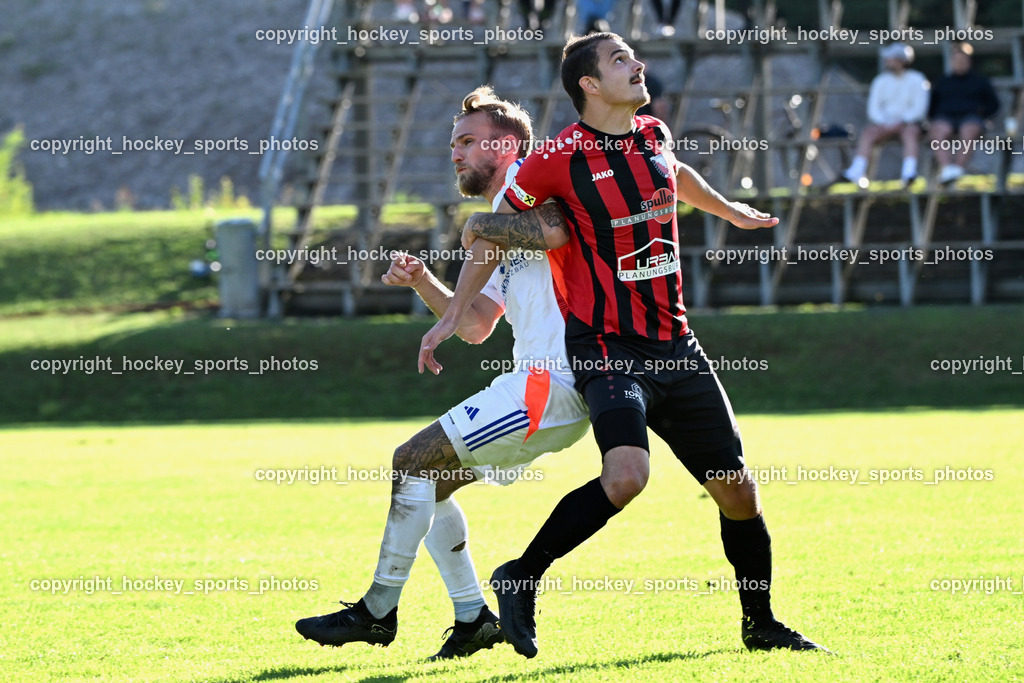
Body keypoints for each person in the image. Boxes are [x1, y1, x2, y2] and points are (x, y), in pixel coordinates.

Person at [419, 32, 826, 659]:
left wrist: (729, 211)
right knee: (627, 475)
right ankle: (520, 576)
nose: (636, 66)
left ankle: (761, 624)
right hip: (606, 347)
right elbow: (495, 233)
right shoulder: (554, 160)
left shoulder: (654, 135)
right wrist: (450, 315)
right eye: (619, 61)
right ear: (588, 83)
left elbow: (676, 173)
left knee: (737, 489)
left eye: (633, 58)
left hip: (675, 342)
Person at [295, 86, 590, 659]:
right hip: (543, 387)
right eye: (452, 143)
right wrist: (427, 282)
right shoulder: (505, 211)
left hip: (551, 384)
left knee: (410, 460)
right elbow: (478, 323)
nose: (455, 153)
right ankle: (473, 617)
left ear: (507, 146)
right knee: (422, 482)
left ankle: (376, 611)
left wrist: (478, 227)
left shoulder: (530, 181)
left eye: (467, 141)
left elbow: (558, 224)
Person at [842, 42, 930, 188]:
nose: (887, 61)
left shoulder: (918, 79)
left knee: (911, 133)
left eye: (891, 58)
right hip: (884, 124)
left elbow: (919, 108)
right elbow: (874, 108)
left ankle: (909, 173)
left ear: (901, 61)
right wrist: (885, 123)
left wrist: (902, 122)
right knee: (868, 133)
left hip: (909, 124)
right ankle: (857, 170)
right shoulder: (880, 81)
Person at [928, 42, 1000, 185]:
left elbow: (994, 104)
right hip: (946, 117)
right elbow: (932, 107)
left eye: (963, 60)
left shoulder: (980, 81)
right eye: (956, 60)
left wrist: (983, 114)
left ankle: (957, 169)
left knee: (969, 129)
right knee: (936, 130)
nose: (960, 63)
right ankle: (947, 168)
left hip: (971, 117)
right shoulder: (942, 81)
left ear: (969, 61)